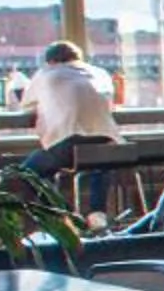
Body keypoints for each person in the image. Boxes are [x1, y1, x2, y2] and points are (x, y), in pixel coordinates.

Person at [22, 39, 121, 211]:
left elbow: (26, 106)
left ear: (50, 61)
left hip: (69, 145)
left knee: (26, 172)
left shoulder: (46, 73)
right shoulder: (100, 73)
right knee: (99, 165)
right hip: (109, 143)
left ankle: (65, 216)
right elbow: (110, 105)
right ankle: (97, 215)